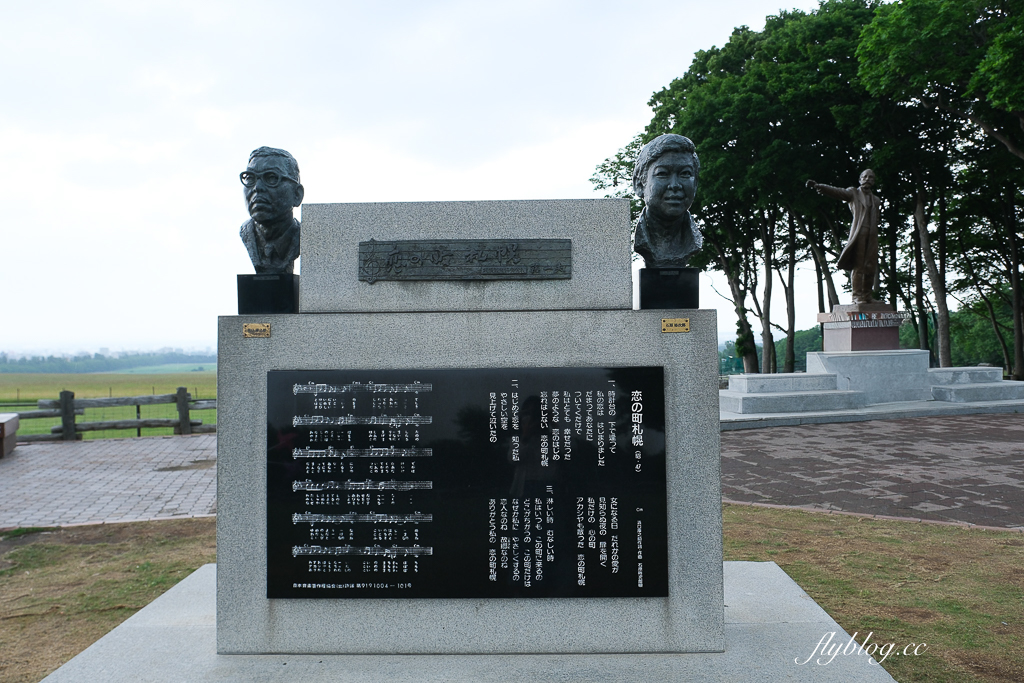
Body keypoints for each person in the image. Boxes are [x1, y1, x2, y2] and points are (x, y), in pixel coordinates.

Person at [806, 170, 881, 305]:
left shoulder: (876, 200)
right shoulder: (854, 193)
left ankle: (867, 296)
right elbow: (837, 191)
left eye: (870, 177)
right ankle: (857, 296)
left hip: (872, 235)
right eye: (864, 177)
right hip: (859, 233)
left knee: (870, 266)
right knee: (859, 265)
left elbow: (876, 219)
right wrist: (819, 186)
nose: (867, 179)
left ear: (873, 181)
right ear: (860, 179)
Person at [631, 134, 703, 267]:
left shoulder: (694, 240)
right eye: (662, 174)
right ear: (640, 184)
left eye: (685, 173)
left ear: (695, 184)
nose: (675, 185)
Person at [239, 147, 303, 274]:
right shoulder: (246, 232)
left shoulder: (306, 237)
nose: (257, 187)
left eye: (272, 178)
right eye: (250, 178)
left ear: (297, 195)